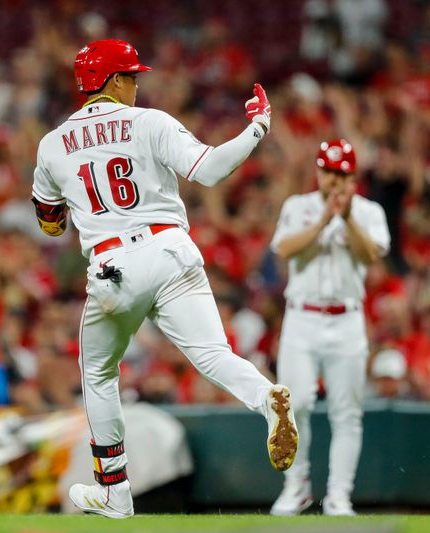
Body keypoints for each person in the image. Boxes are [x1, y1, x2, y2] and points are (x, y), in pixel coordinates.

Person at [31, 39, 298, 518]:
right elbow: (211, 170)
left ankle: (113, 488)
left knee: (97, 373)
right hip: (173, 250)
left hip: (114, 266)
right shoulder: (149, 122)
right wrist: (257, 128)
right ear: (113, 81)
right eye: (132, 76)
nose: (136, 84)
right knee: (214, 354)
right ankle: (265, 397)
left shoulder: (52, 144)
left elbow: (49, 222)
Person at [269, 139, 390, 516]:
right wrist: (324, 219)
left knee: (346, 412)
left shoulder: (368, 212)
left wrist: (347, 217)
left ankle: (339, 495)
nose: (334, 181)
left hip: (347, 319)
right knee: (295, 404)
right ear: (317, 172)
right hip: (301, 318)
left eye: (341, 174)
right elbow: (285, 250)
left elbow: (371, 254)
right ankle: (297, 487)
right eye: (328, 171)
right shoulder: (298, 206)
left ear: (352, 176)